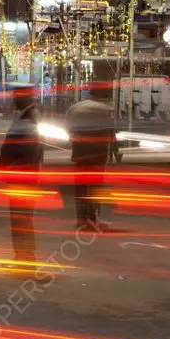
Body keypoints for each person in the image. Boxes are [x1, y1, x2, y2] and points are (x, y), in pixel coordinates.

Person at [0, 94, 43, 264]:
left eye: (16, 98)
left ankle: (25, 257)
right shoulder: (24, 117)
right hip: (20, 177)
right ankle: (21, 256)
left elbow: (26, 152)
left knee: (21, 219)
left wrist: (8, 168)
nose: (12, 101)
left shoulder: (27, 121)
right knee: (20, 219)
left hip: (21, 178)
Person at [67, 83, 115, 231]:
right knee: (95, 188)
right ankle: (92, 219)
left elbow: (68, 129)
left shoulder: (75, 108)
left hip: (79, 154)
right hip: (97, 155)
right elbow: (110, 131)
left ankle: (81, 219)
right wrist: (114, 150)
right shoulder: (105, 109)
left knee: (80, 189)